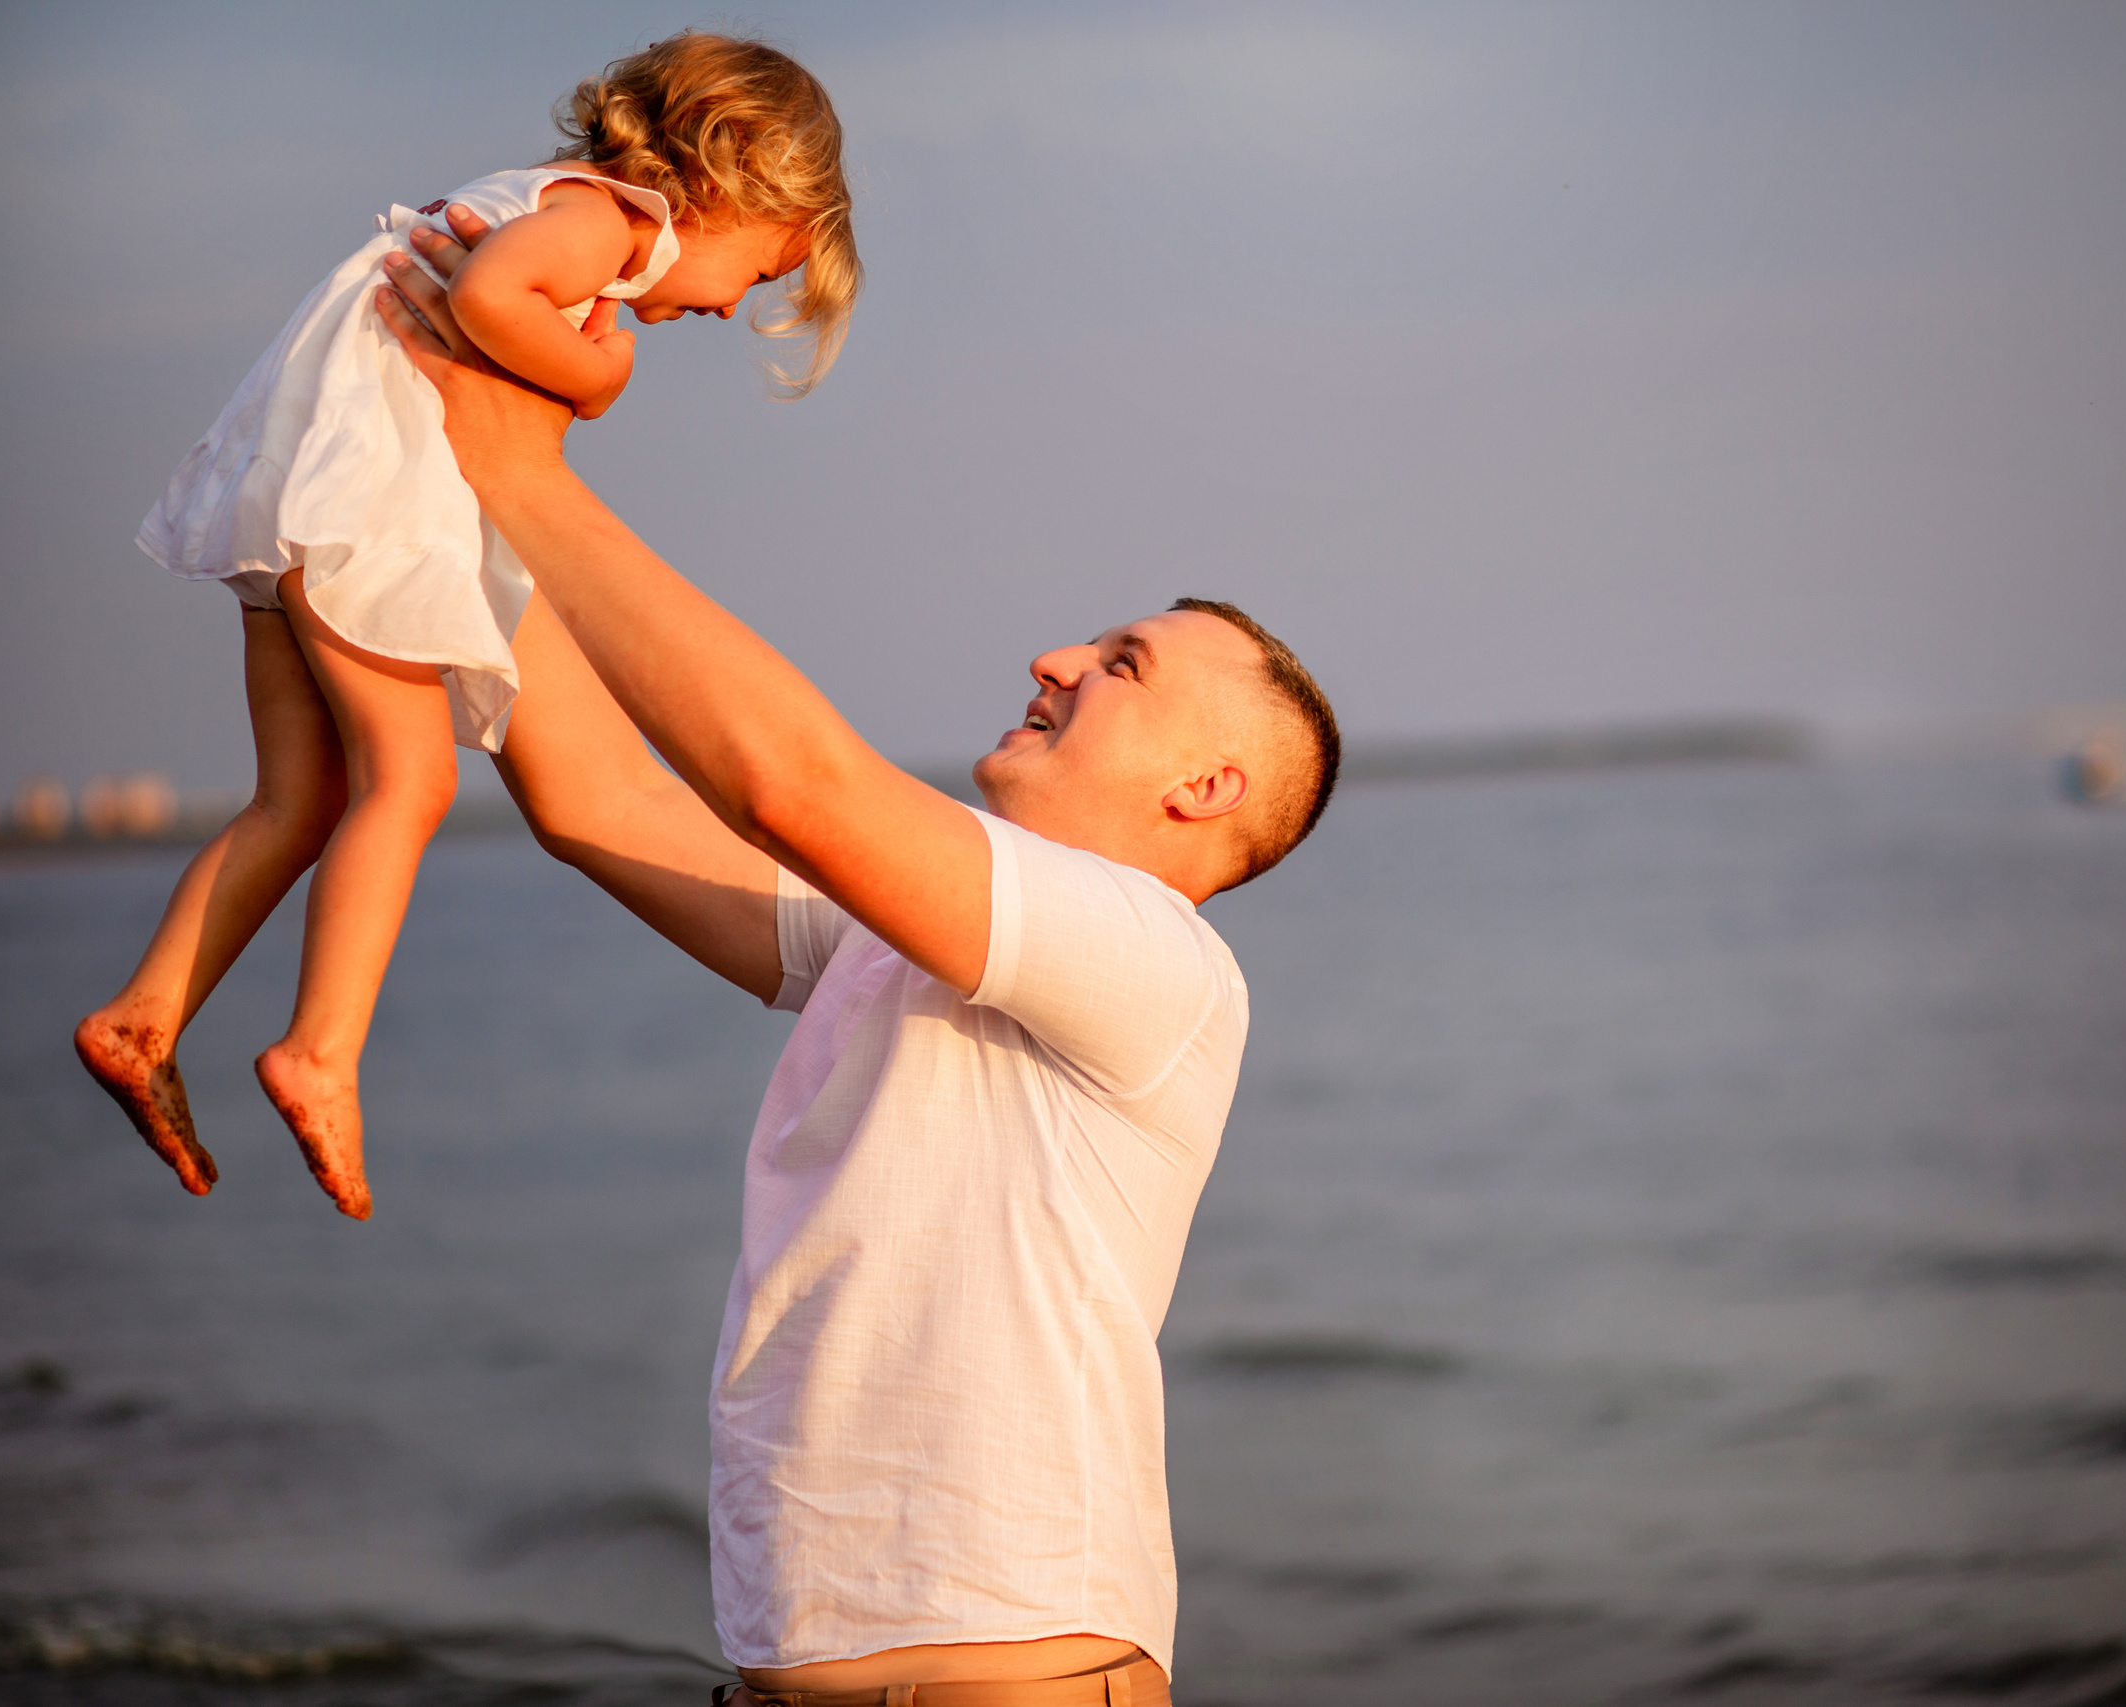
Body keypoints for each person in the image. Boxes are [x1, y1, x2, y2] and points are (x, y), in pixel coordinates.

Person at [371, 207, 1339, 1705]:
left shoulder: (1156, 958)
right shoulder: (897, 944)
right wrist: (450, 483)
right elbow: (597, 800)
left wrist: (519, 462)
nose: (1056, 658)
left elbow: (796, 786)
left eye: (1120, 664)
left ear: (1203, 791)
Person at [76, 33, 861, 1220]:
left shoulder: (537, 200)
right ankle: (319, 1053)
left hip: (291, 487)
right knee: (410, 784)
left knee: (300, 800)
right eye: (757, 277)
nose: (729, 306)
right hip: (370, 499)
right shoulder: (612, 222)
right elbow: (491, 300)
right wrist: (599, 381)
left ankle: (144, 1016)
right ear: (729, 188)